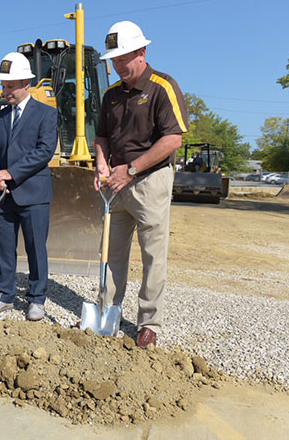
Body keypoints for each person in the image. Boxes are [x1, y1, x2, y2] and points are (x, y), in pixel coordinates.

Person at [94, 21, 189, 348]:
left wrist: (130, 170)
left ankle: (149, 321)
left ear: (142, 53)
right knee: (110, 253)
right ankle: (109, 309)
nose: (118, 66)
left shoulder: (163, 87)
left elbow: (173, 139)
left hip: (149, 181)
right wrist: (101, 163)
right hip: (116, 184)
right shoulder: (111, 96)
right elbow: (102, 136)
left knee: (153, 256)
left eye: (123, 59)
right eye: (114, 61)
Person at [0, 52, 57, 321]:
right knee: (4, 246)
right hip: (3, 195)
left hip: (33, 194)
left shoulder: (46, 114)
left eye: (10, 85)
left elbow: (44, 151)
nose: (5, 91)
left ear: (26, 82)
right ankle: (5, 293)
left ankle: (37, 298)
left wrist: (10, 174)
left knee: (36, 247)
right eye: (3, 85)